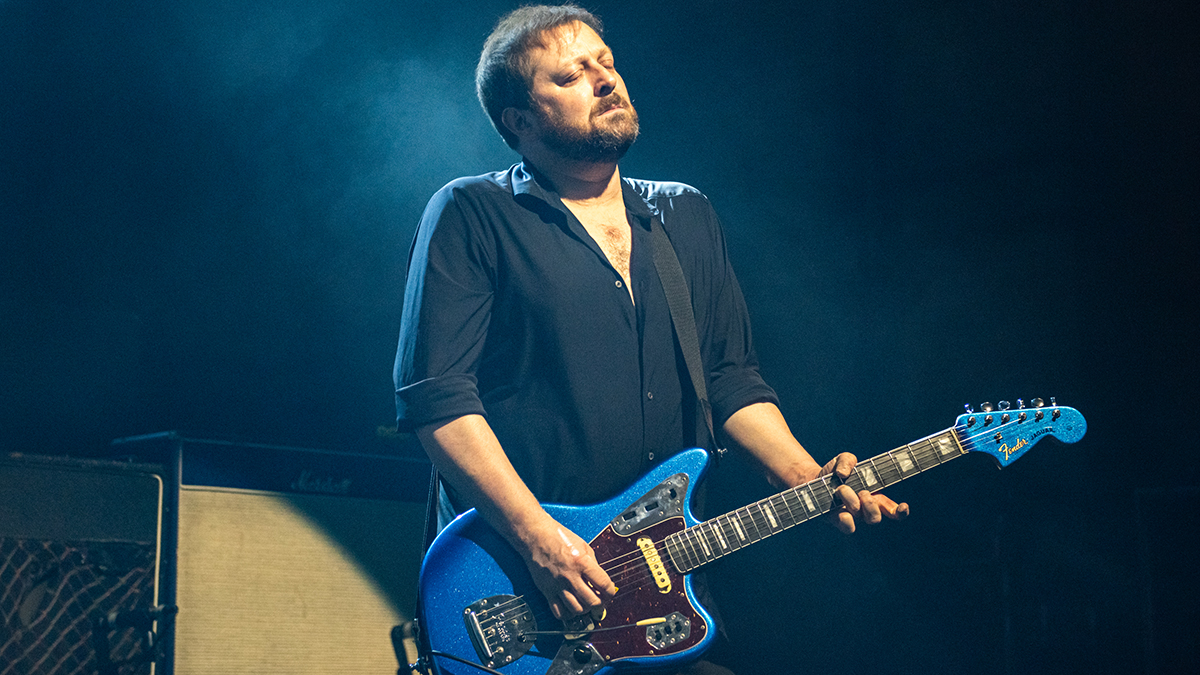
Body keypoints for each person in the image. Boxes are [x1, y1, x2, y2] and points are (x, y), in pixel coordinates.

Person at [393, 5, 908, 673]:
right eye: (571, 74)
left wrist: (807, 477)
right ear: (518, 120)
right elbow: (438, 399)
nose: (605, 79)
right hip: (524, 591)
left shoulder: (684, 215)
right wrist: (539, 539)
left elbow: (731, 378)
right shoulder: (472, 212)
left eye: (606, 63)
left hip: (660, 596)